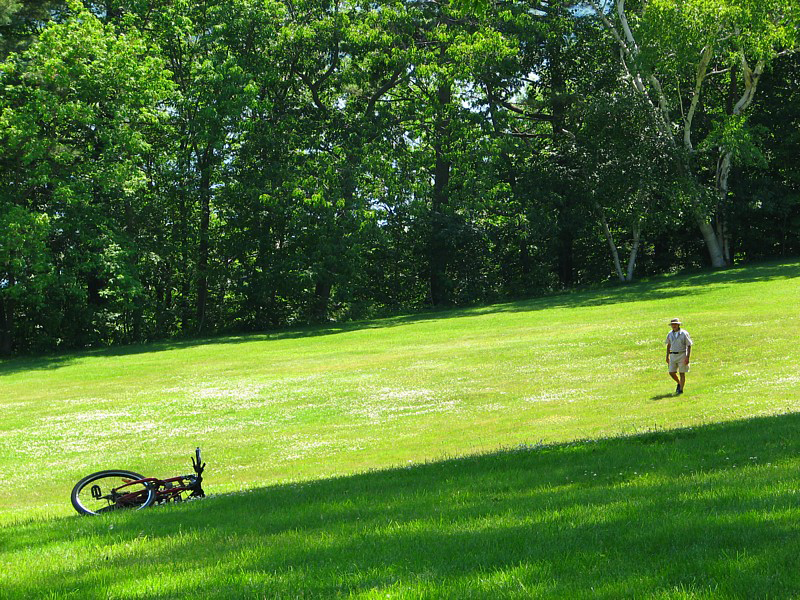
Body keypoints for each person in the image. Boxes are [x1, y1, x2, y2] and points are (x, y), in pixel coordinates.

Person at [666, 318, 692, 395]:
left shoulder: (684, 333)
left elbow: (689, 345)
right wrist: (667, 356)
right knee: (671, 372)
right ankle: (679, 383)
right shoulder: (670, 334)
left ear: (678, 325)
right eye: (672, 324)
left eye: (675, 324)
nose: (674, 326)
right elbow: (668, 345)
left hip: (682, 354)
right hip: (673, 355)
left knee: (682, 373)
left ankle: (680, 390)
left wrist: (687, 357)